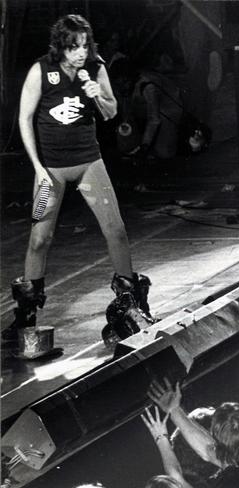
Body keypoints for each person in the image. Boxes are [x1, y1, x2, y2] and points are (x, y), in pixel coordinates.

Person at [4, 14, 154, 349]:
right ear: (61, 46)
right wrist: (38, 167)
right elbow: (25, 119)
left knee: (115, 229)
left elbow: (112, 112)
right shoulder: (40, 71)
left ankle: (132, 306)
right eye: (74, 47)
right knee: (40, 238)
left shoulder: (96, 69)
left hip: (88, 162)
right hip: (52, 169)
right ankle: (26, 314)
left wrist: (97, 94)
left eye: (85, 46)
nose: (80, 53)